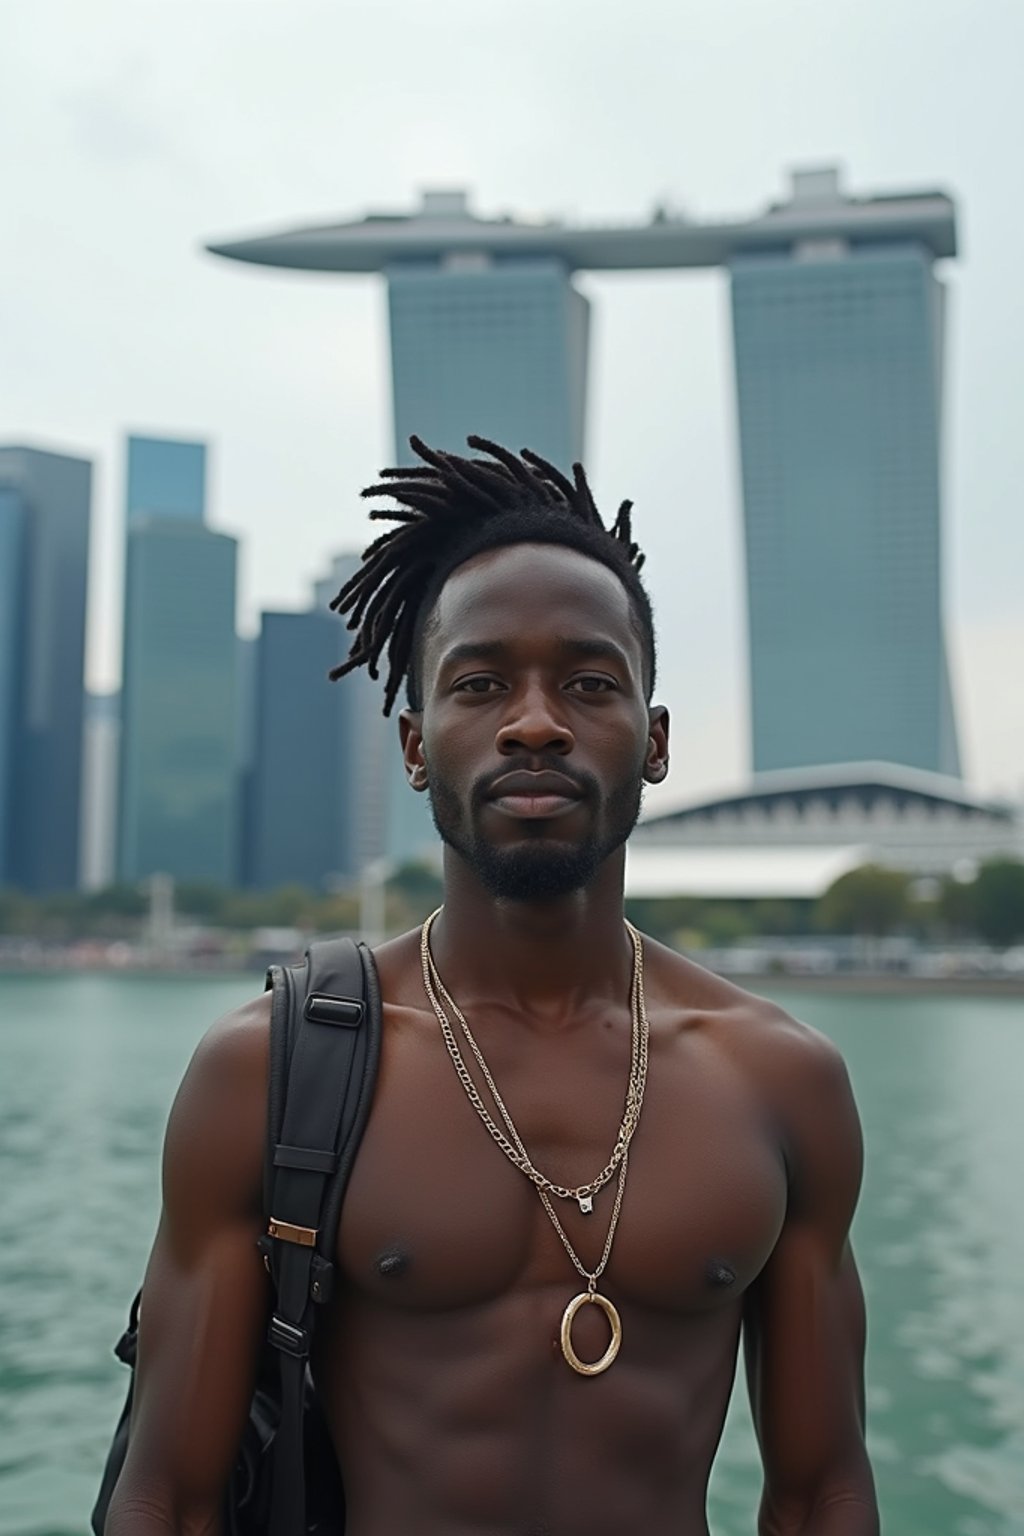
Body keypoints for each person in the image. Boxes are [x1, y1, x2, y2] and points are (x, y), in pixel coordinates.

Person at [105, 436, 878, 1535]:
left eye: (587, 682)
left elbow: (821, 1493)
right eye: (480, 684)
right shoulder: (271, 1068)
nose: (533, 721)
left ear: (652, 741)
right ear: (417, 744)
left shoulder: (781, 1081)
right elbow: (166, 1500)